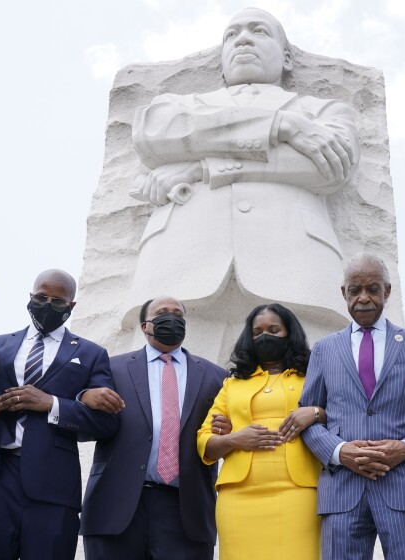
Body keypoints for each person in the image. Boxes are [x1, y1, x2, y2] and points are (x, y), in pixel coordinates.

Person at [124, 7, 360, 359]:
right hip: (182, 266)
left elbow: (327, 168)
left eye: (259, 31)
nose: (243, 39)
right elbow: (156, 134)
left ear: (287, 58)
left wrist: (201, 167)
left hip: (296, 267)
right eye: (231, 35)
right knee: (169, 397)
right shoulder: (178, 106)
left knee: (304, 396)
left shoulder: (324, 111)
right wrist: (282, 127)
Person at [298, 253, 405, 560]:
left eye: (372, 288)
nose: (364, 297)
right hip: (342, 490)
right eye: (355, 290)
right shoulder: (323, 350)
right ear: (343, 294)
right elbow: (309, 418)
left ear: (387, 290)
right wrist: (339, 452)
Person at [0, 269, 119, 560]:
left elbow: (107, 423)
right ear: (30, 297)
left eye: (58, 301)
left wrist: (52, 404)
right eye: (41, 297)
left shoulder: (92, 354)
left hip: (55, 484)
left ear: (71, 306)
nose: (48, 304)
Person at [81, 296, 227, 559]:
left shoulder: (216, 376)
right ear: (144, 326)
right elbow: (84, 428)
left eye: (178, 314)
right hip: (117, 506)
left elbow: (230, 434)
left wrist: (228, 430)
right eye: (162, 313)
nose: (171, 318)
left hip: (186, 511)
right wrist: (84, 397)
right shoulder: (112, 368)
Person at [196, 303, 324, 559]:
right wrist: (235, 438)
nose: (265, 336)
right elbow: (204, 440)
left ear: (290, 333)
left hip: (298, 492)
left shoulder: (314, 376)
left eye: (274, 330)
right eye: (258, 332)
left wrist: (317, 413)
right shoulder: (232, 384)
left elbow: (346, 414)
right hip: (238, 495)